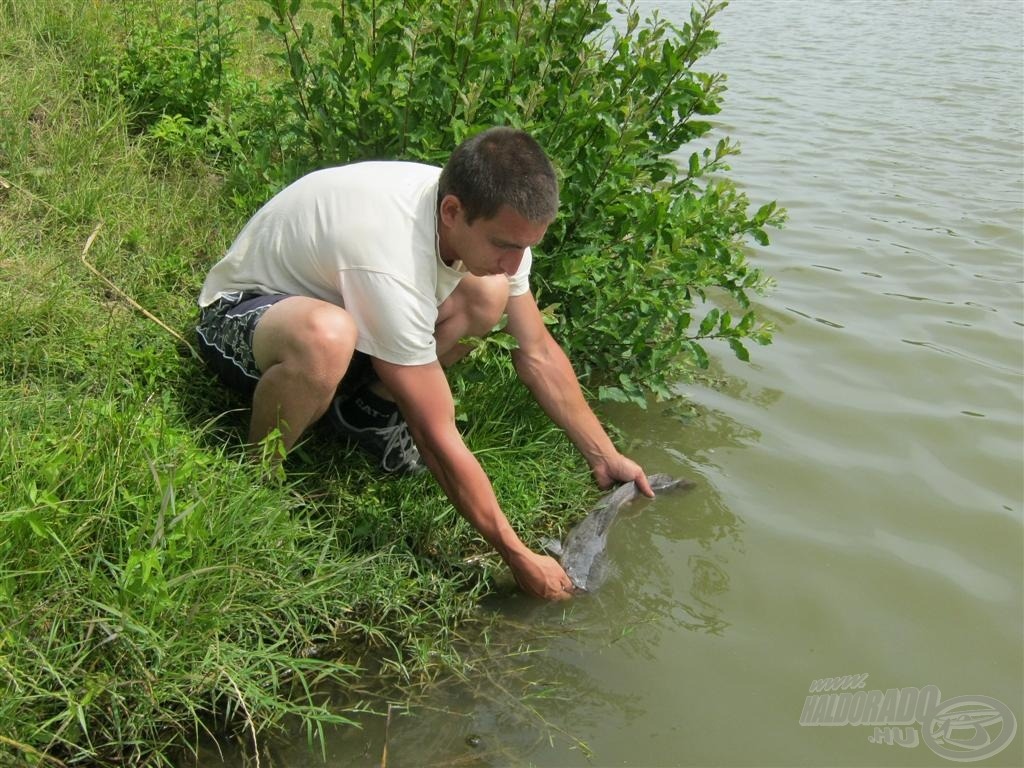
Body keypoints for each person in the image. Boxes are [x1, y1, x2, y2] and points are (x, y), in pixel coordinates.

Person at [195, 127, 652, 600]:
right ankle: (257, 479)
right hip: (244, 317)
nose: (515, 263)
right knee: (327, 338)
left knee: (488, 292)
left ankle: (366, 417)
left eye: (525, 247)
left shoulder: (493, 219)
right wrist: (515, 552)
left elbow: (535, 350)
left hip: (346, 315)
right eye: (504, 246)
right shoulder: (389, 254)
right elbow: (435, 436)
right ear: (452, 212)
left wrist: (604, 455)